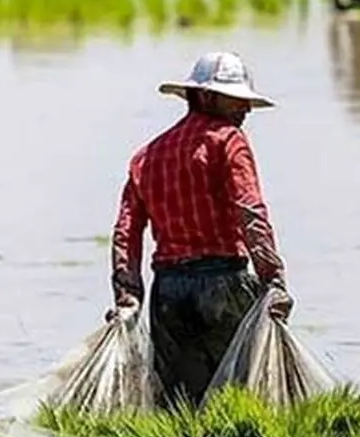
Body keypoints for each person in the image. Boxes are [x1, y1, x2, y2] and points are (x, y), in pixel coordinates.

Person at [109, 51, 294, 409]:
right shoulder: (228, 141)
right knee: (239, 400)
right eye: (236, 99)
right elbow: (250, 212)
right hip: (223, 283)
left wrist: (128, 296)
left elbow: (125, 232)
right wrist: (273, 279)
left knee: (181, 405)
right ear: (205, 97)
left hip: (168, 294)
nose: (246, 109)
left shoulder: (147, 156)